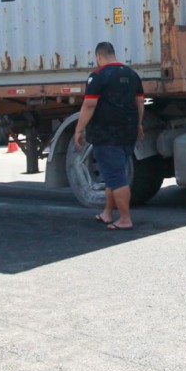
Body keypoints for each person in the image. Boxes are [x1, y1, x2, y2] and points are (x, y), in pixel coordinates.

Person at [74, 42, 144, 230]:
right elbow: (140, 102)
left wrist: (79, 129)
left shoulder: (97, 76)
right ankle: (107, 212)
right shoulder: (132, 75)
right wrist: (138, 124)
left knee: (116, 176)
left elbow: (89, 105)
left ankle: (124, 219)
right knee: (112, 173)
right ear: (113, 54)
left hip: (106, 134)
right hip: (128, 132)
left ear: (98, 56)